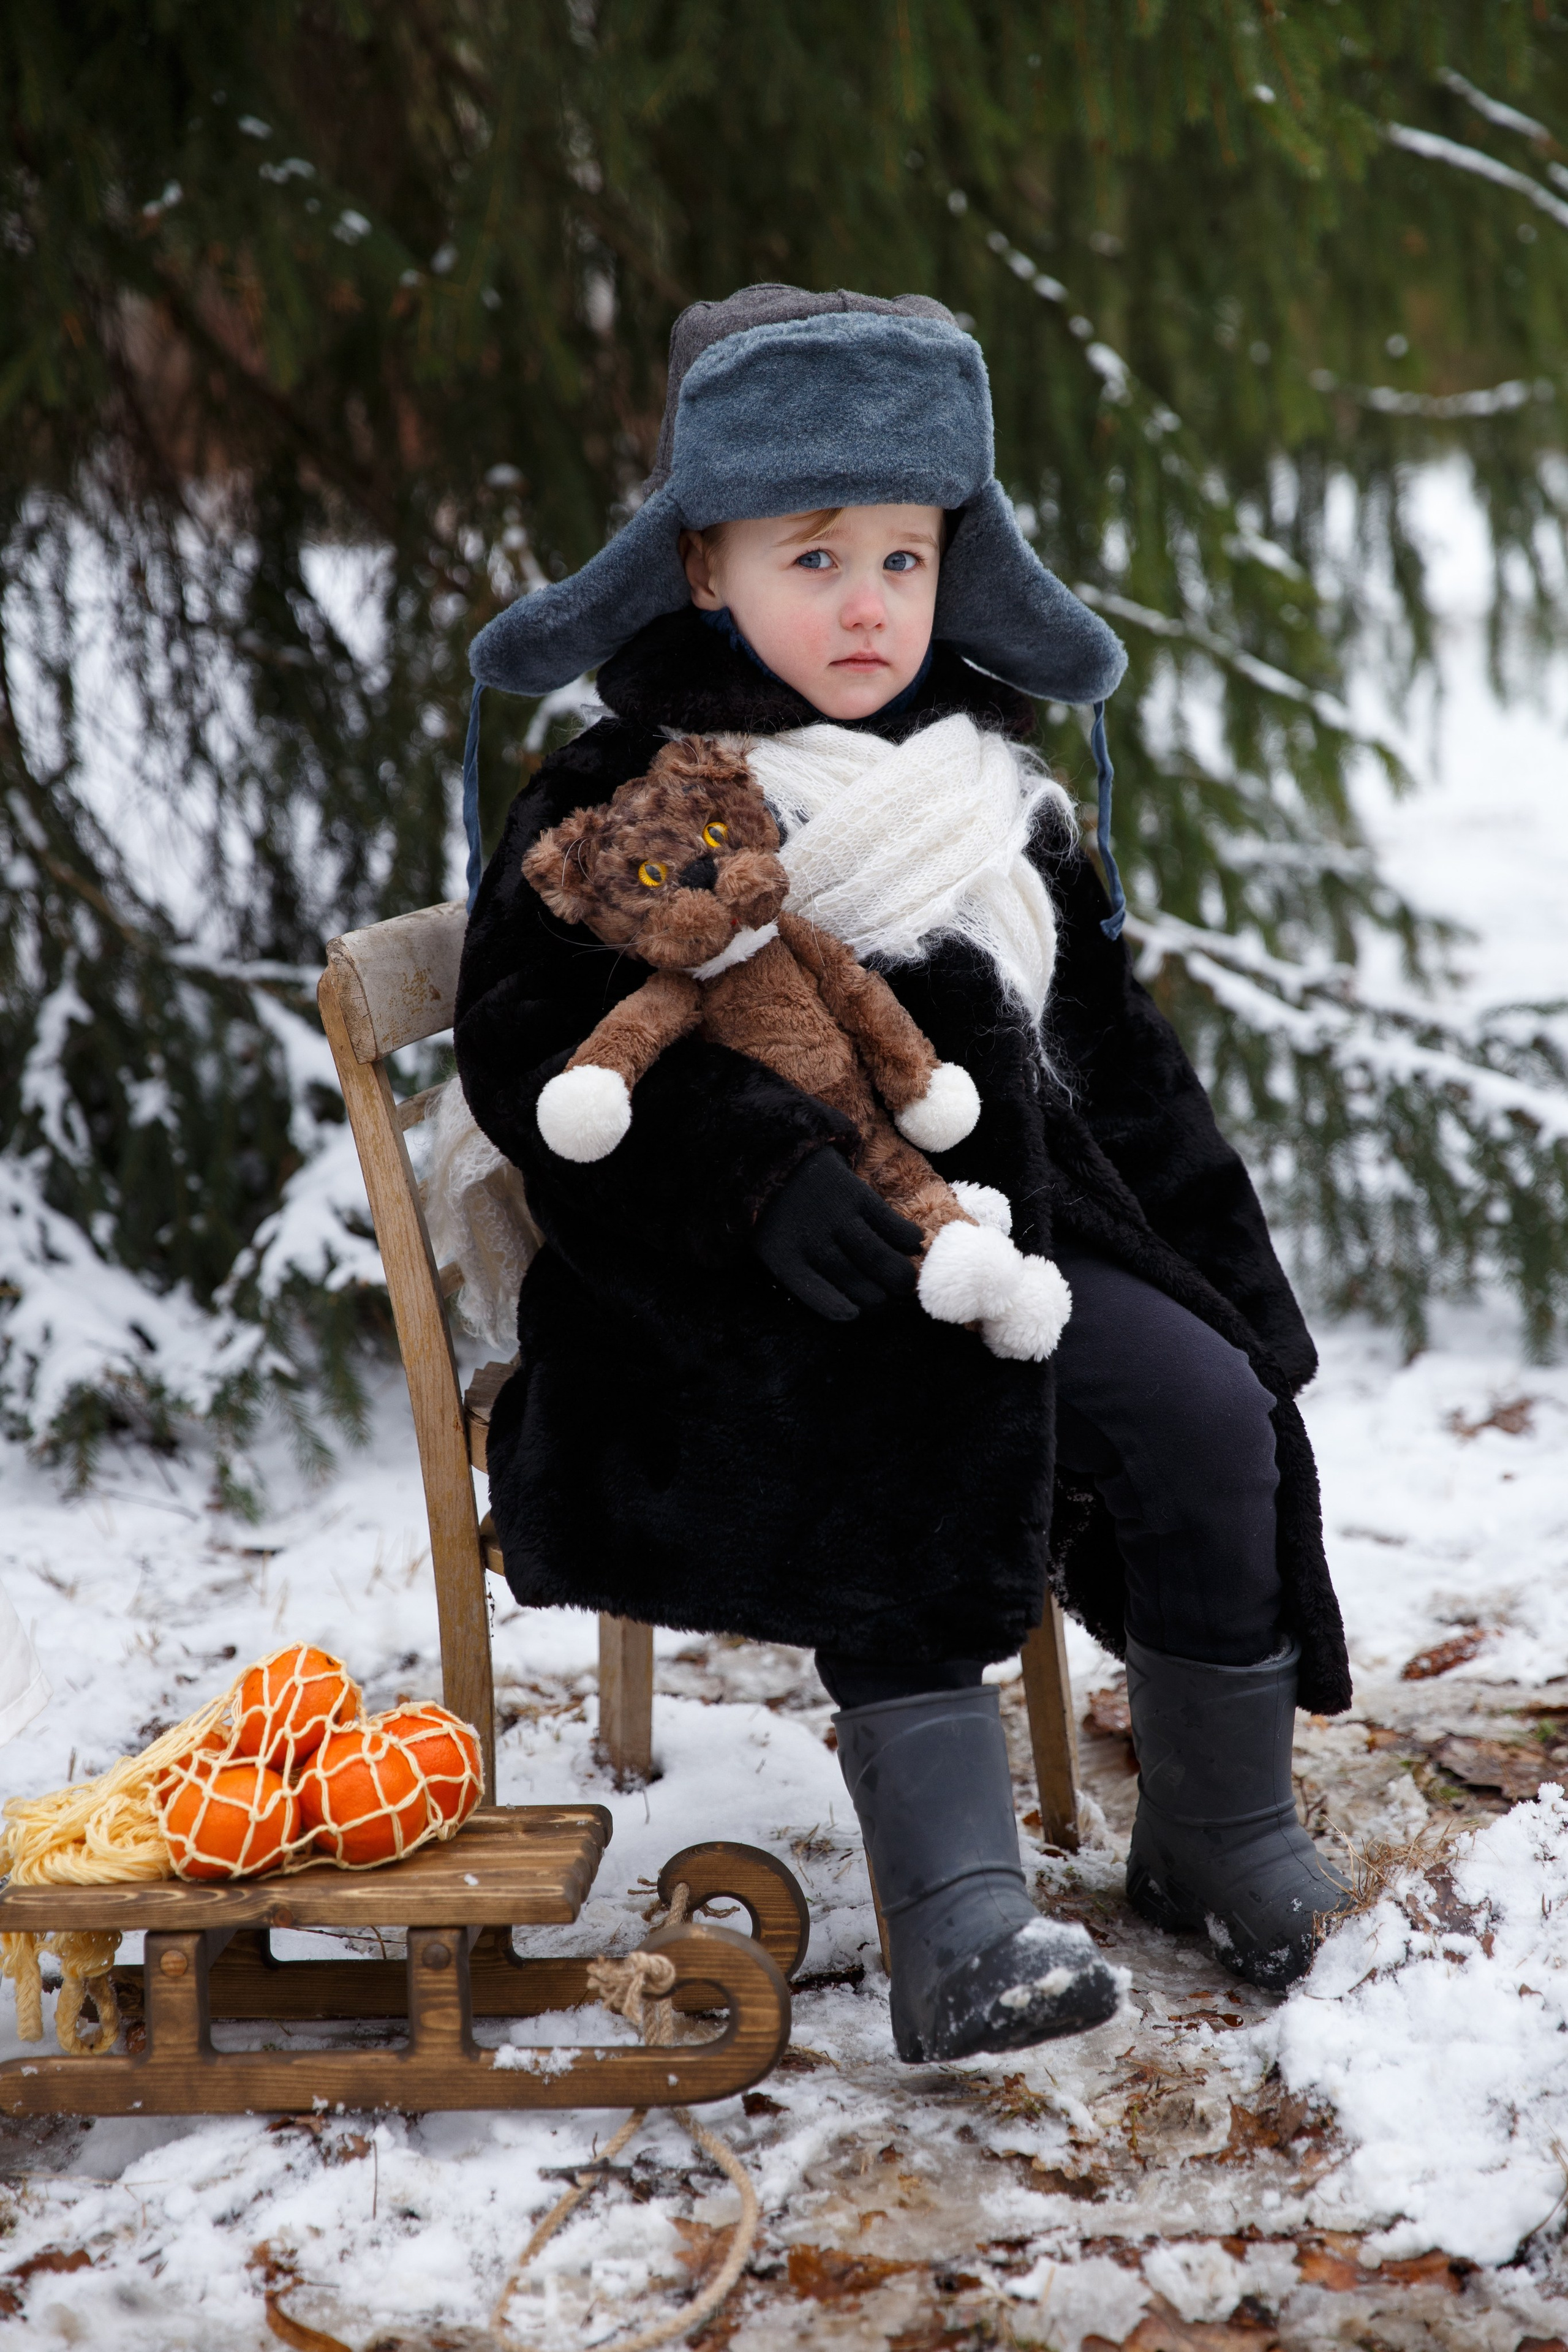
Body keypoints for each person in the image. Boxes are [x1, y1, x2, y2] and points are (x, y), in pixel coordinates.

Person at [454, 286, 1351, 2062]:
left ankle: (1218, 1834)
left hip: (1000, 1246)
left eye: (905, 559)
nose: (868, 605)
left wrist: (1229, 1286)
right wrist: (752, 1180)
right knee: (908, 1409)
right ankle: (958, 1922)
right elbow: (521, 1038)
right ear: (707, 566)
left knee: (1201, 1409)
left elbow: (1117, 1068)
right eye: (815, 556)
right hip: (723, 1285)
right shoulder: (630, 786)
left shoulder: (987, 788)